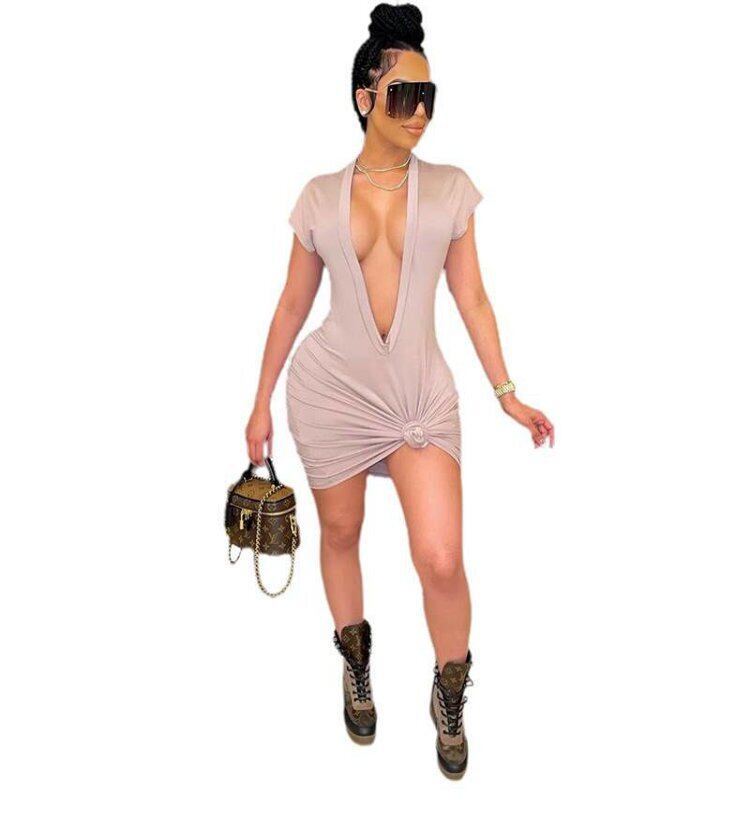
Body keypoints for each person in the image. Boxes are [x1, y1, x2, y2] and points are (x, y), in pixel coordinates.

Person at [245, 2, 554, 779]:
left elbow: (472, 298)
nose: (419, 112)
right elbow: (291, 305)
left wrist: (506, 392)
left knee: (441, 558)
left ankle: (449, 693)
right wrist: (259, 402)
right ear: (364, 99)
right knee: (340, 534)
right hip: (331, 393)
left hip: (419, 399)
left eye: (429, 97)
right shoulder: (318, 196)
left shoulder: (450, 190)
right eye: (403, 96)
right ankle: (356, 663)